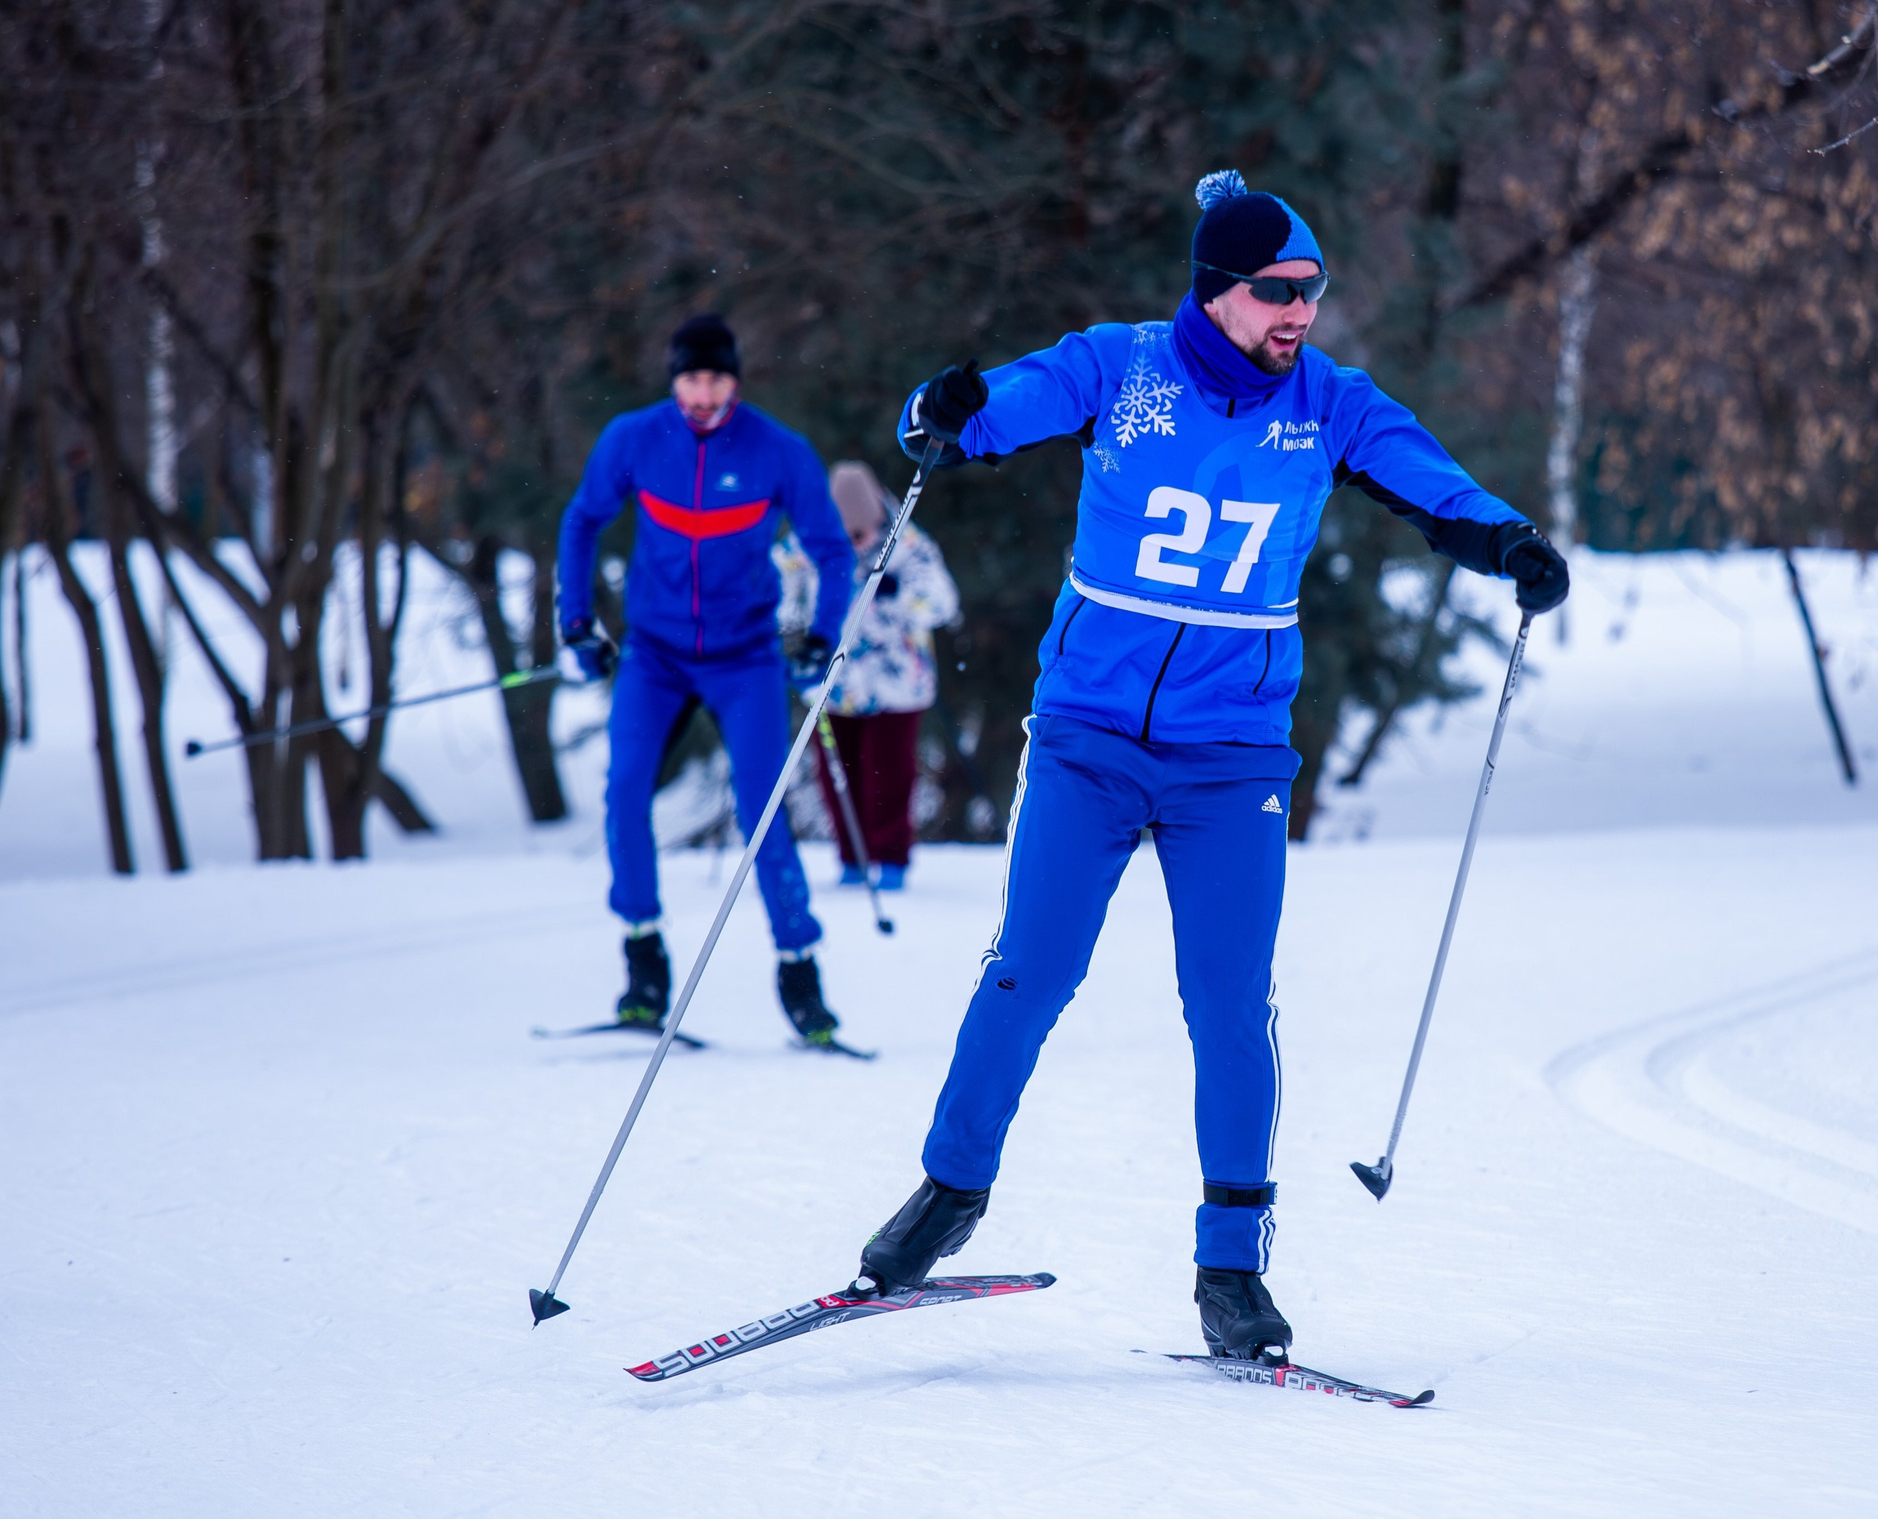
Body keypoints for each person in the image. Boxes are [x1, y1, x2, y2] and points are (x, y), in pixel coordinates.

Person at [846, 171, 1569, 1361]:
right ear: (1217, 292)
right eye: (1279, 292)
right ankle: (950, 1188)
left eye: (1313, 292)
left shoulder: (1328, 405)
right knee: (1027, 971)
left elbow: (1428, 479)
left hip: (1231, 754)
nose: (1301, 313)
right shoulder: (1121, 369)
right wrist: (949, 407)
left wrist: (1506, 539)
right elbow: (1003, 401)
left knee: (1229, 1003)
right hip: (1087, 739)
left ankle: (1230, 1265)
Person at [556, 313, 858, 1046]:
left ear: (735, 380)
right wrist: (575, 620)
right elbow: (581, 521)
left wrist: (822, 637)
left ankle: (799, 971)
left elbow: (834, 552)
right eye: (690, 377)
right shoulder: (634, 438)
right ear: (674, 380)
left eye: (716, 377)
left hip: (744, 656)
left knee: (762, 813)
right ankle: (643, 959)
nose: (703, 392)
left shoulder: (776, 450)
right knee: (625, 788)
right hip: (653, 654)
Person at [809, 460, 961, 891]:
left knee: (888, 773)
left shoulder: (907, 543)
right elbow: (783, 597)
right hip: (836, 686)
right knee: (838, 773)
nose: (856, 542)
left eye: (861, 532)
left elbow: (943, 604)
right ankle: (851, 856)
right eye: (847, 533)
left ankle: (891, 857)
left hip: (897, 685)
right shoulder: (811, 545)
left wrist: (900, 593)